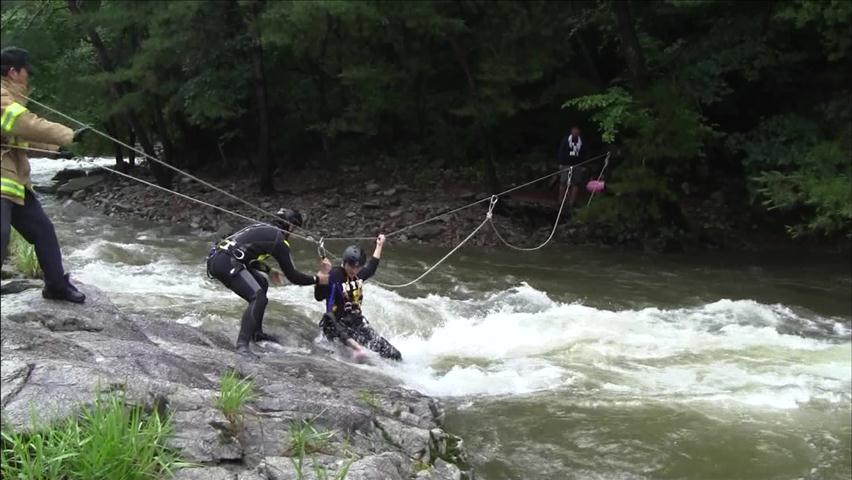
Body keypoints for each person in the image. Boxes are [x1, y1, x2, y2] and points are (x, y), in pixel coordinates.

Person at [1, 46, 87, 303]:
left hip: (14, 181)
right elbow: (23, 124)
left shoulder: (12, 98)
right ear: (14, 72)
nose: (29, 77)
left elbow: (20, 137)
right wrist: (67, 135)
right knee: (0, 233)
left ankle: (56, 286)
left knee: (43, 231)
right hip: (3, 180)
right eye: (27, 71)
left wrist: (56, 150)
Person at [206, 208, 330, 357]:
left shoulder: (263, 228)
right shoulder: (279, 241)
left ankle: (257, 334)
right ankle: (242, 346)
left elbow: (246, 255)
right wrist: (317, 279)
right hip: (226, 262)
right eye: (295, 228)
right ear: (290, 226)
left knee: (261, 283)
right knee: (258, 297)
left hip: (219, 259)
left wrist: (268, 270)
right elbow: (293, 277)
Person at [314, 234, 402, 361]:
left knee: (394, 355)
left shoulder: (358, 275)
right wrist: (323, 273)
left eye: (357, 267)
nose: (354, 270)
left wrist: (379, 245)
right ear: (344, 262)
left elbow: (372, 267)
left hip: (356, 322)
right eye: (351, 266)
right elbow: (318, 296)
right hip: (335, 323)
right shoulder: (334, 275)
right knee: (364, 358)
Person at [556, 126, 589, 208]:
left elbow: (584, 153)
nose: (575, 134)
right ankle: (560, 201)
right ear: (571, 132)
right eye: (574, 132)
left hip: (577, 164)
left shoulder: (582, 141)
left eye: (577, 133)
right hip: (565, 164)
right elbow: (561, 151)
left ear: (579, 133)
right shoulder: (566, 139)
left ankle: (571, 202)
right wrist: (560, 163)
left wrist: (583, 165)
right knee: (563, 182)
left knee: (575, 183)